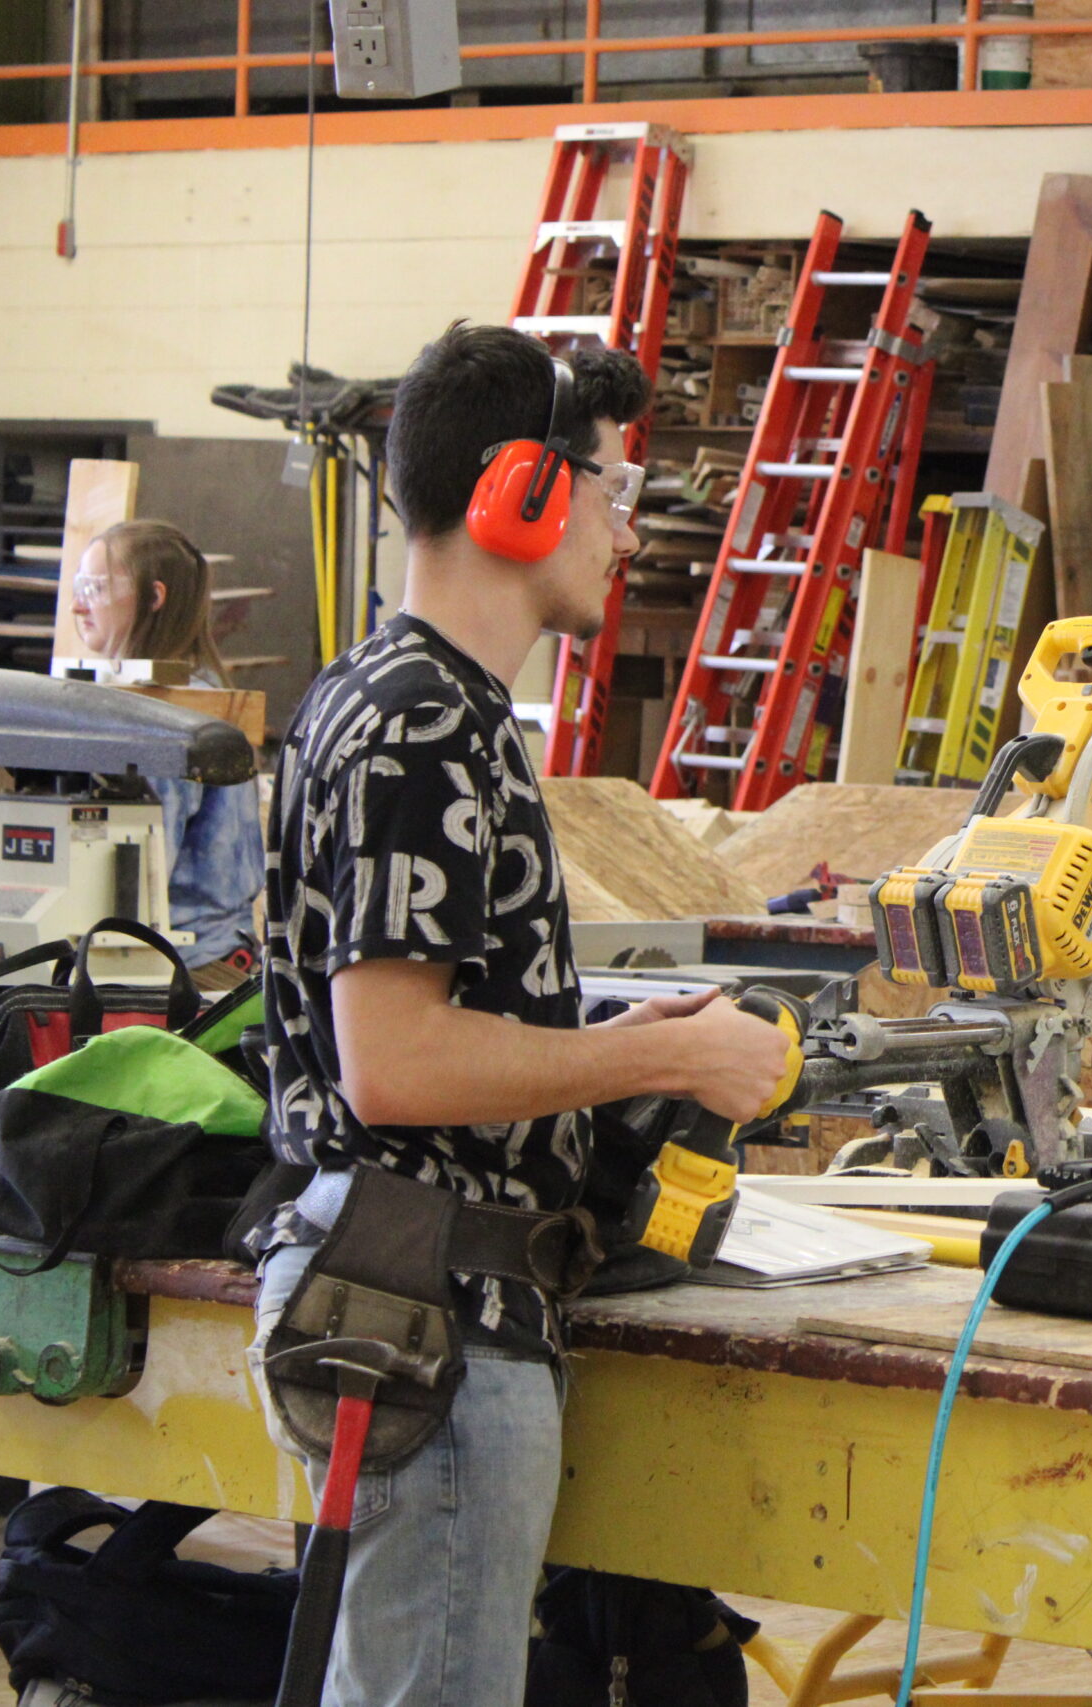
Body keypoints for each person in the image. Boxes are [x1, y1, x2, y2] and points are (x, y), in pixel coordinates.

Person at [248, 321, 791, 1706]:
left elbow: (429, 1009)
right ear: (523, 492)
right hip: (431, 1305)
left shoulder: (405, 702)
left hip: (422, 1290)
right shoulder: (422, 723)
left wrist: (599, 1022)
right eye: (612, 488)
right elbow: (397, 1059)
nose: (626, 531)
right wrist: (670, 1051)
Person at [69, 518, 264, 986]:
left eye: (94, 588)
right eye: (79, 587)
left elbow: (143, 876)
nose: (78, 605)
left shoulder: (171, 715)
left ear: (155, 598)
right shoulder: (193, 696)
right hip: (202, 955)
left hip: (190, 968)